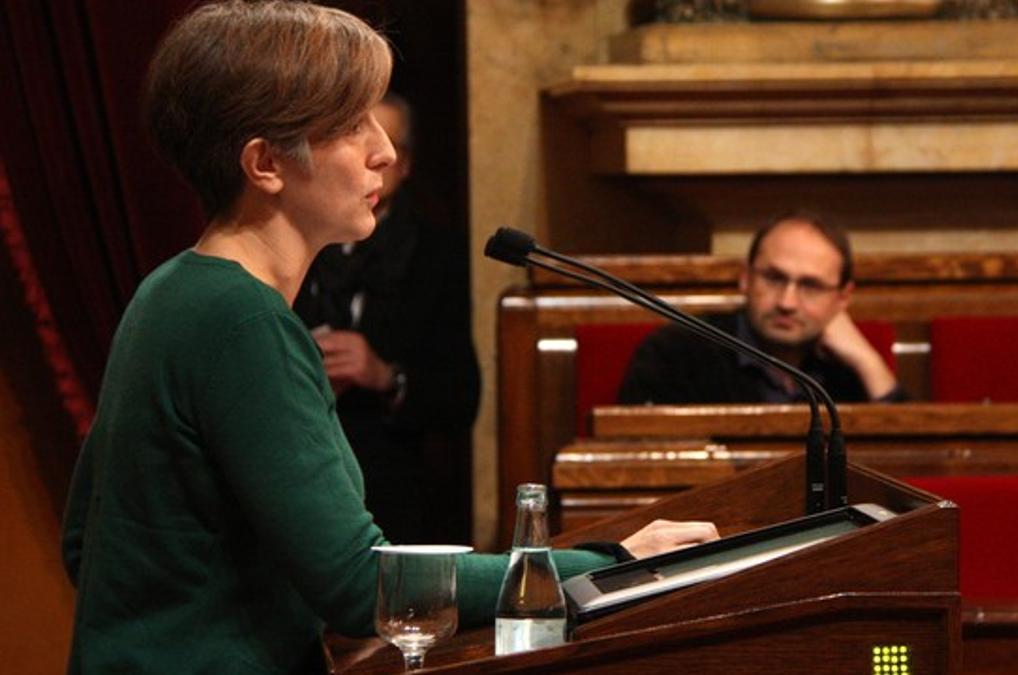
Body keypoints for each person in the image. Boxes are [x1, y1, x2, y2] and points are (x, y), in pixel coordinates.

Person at [60, 3, 717, 673]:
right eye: (351, 124)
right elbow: (361, 585)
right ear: (264, 163)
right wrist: (615, 562)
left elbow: (87, 543)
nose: (385, 150)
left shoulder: (169, 290)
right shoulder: (241, 319)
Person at [292, 93, 479, 544]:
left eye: (389, 150)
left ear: (406, 162)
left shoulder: (436, 254)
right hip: (300, 464)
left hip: (392, 478)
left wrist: (385, 375)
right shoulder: (295, 237)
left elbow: (460, 396)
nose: (375, 162)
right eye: (355, 145)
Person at [618, 214, 905, 405]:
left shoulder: (847, 372)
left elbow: (913, 466)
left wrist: (868, 362)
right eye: (774, 278)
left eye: (811, 286)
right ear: (746, 278)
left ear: (842, 298)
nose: (787, 303)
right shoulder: (677, 353)